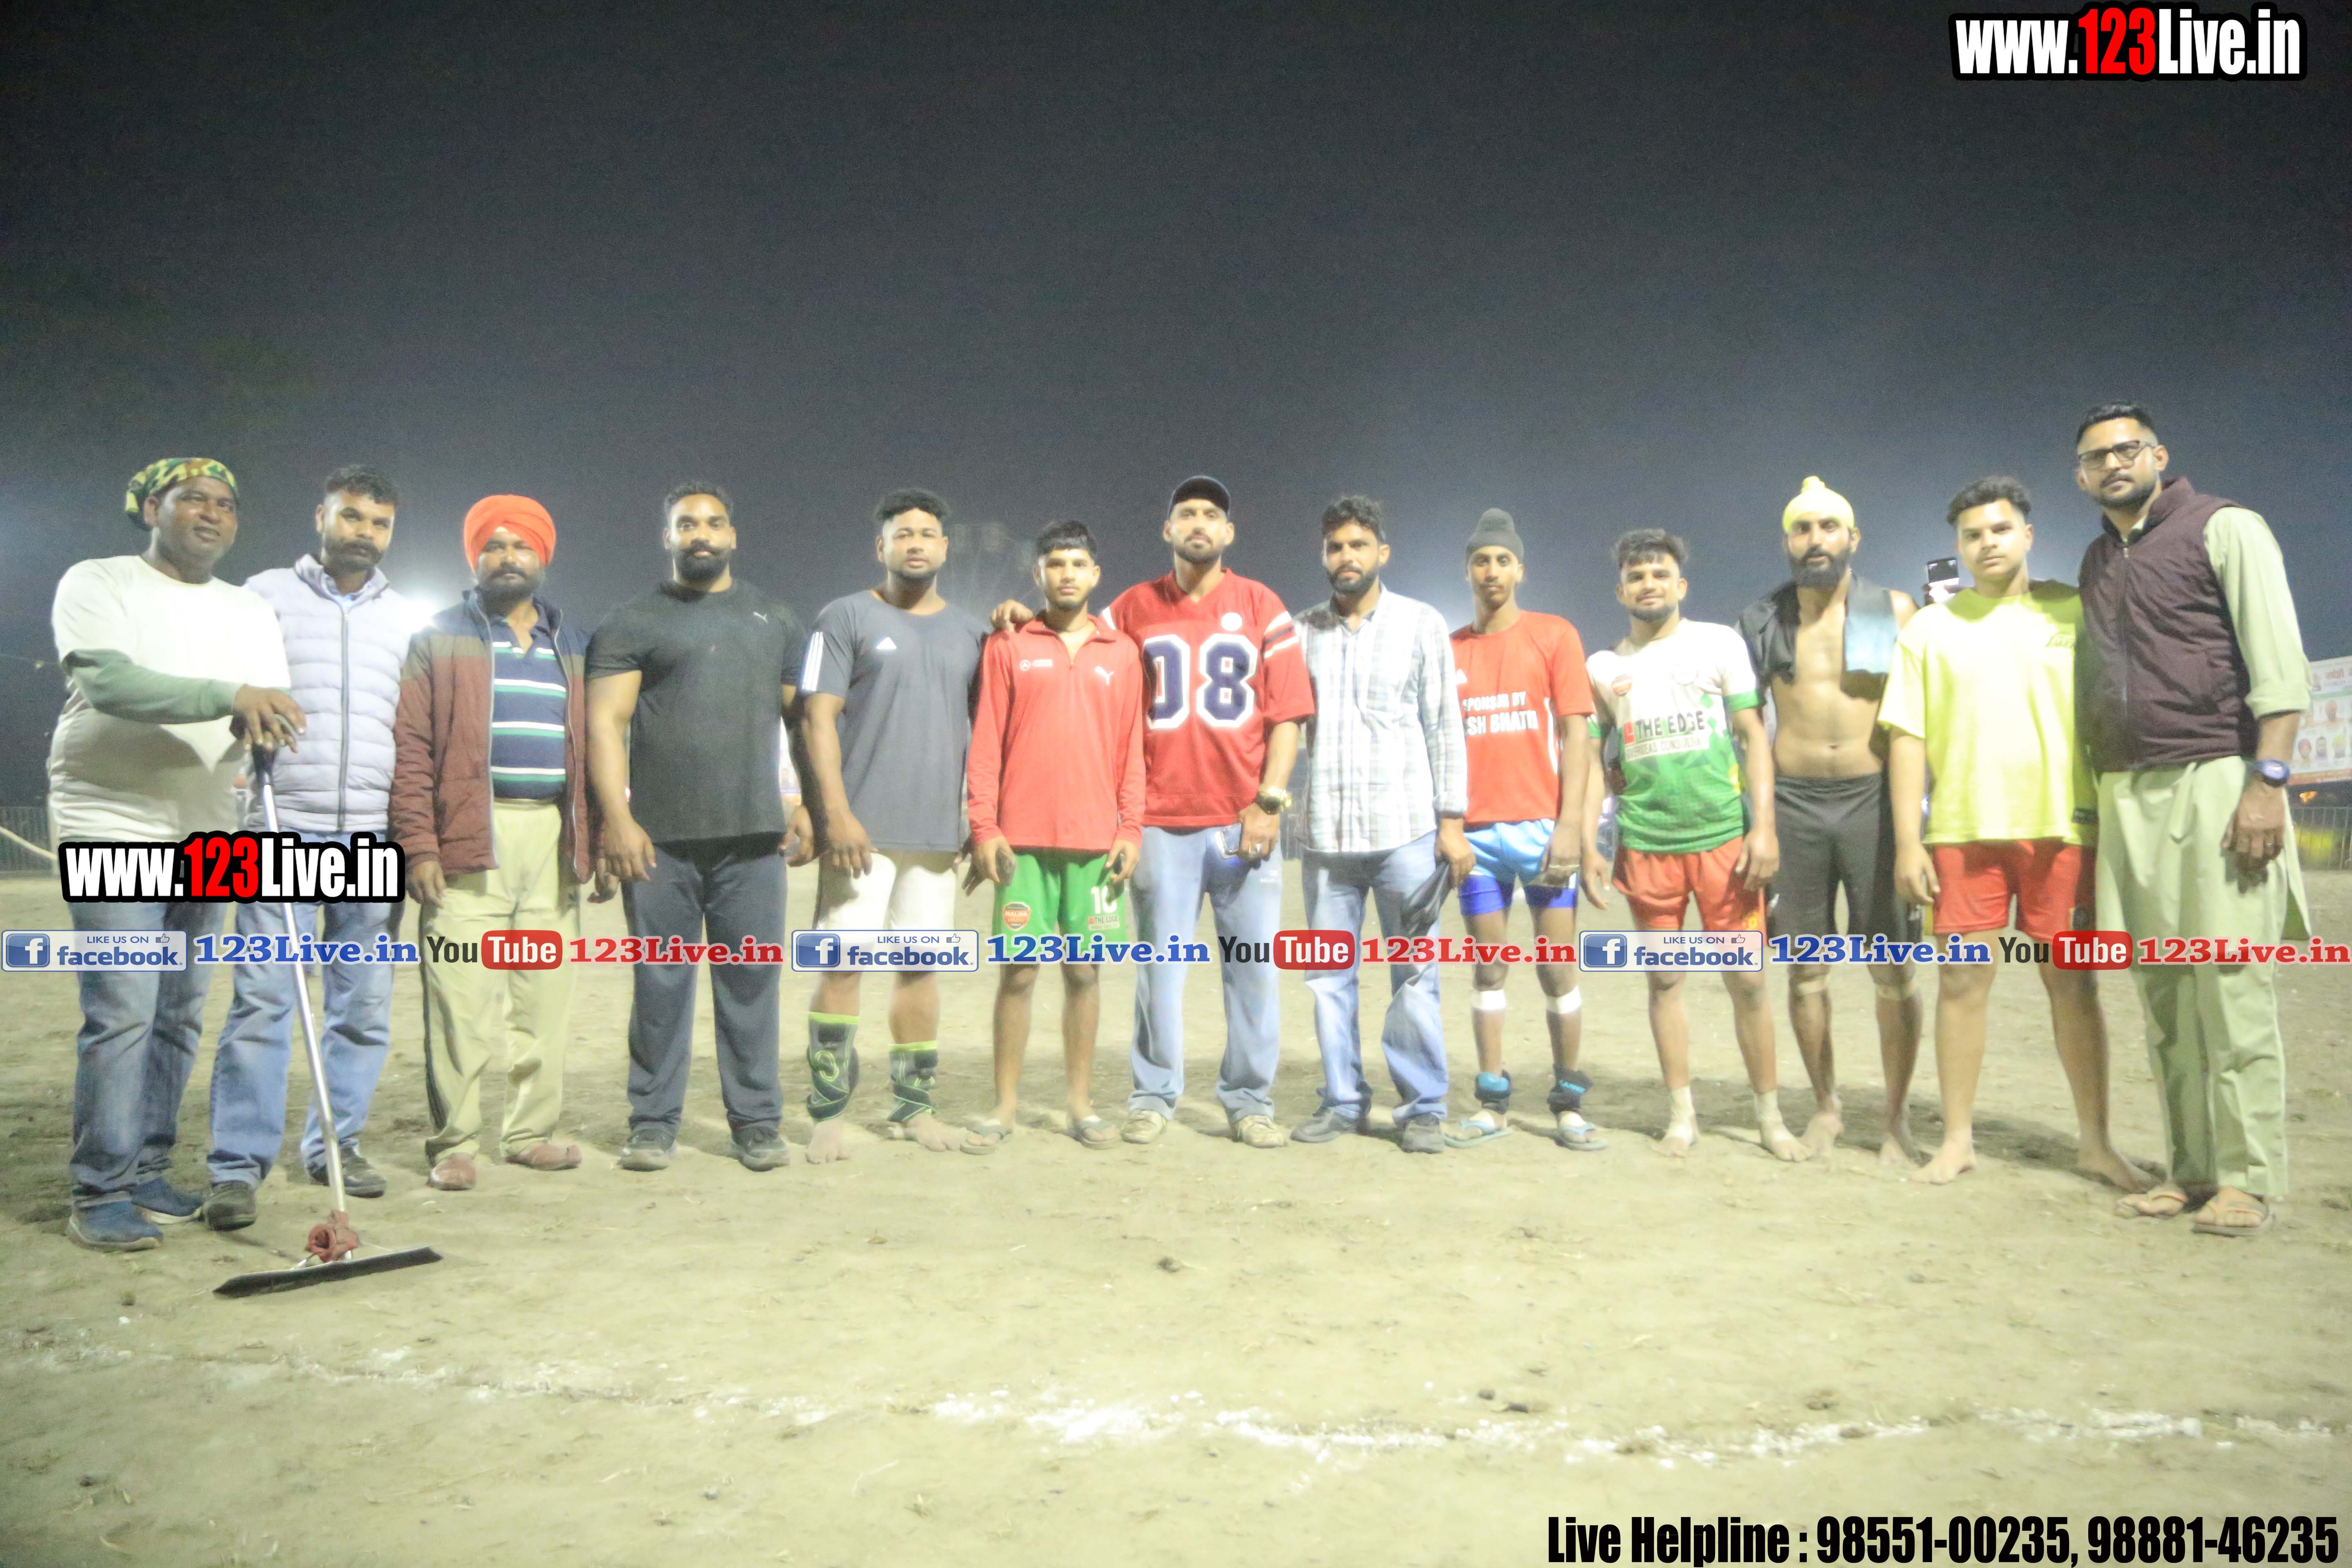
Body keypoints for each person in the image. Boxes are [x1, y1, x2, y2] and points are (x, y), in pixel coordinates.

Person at [990, 474, 1315, 1149]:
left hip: (1242, 822)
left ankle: (1249, 1100)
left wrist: (1269, 802)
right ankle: (1154, 1095)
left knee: (1253, 969)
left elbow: (1287, 715)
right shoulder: (1133, 608)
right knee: (1159, 974)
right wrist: (1026, 615)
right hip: (1163, 822)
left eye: (1211, 514)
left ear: (1229, 532)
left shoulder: (1263, 605)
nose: (1199, 523)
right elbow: (1073, 632)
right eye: (1186, 513)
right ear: (1167, 530)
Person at [2072, 403, 2311, 1238]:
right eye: (2096, 457)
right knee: (2167, 999)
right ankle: (2193, 1171)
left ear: (2159, 455)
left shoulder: (2225, 527)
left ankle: (2249, 1178)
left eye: (2127, 449)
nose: (2113, 464)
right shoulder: (2098, 559)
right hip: (2127, 790)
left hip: (2217, 777)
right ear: (2081, 476)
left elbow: (2280, 668)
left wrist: (2266, 782)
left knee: (2231, 985)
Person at [49, 458, 300, 1250]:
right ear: (152, 507)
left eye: (227, 503)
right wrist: (229, 697)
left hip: (212, 830)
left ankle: (148, 1167)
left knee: (180, 1011)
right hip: (112, 821)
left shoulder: (250, 609)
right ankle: (100, 1188)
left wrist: (266, 728)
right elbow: (111, 683)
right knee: (124, 1011)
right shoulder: (99, 581)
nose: (213, 513)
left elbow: (265, 702)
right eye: (194, 499)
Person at [1880, 477, 2151, 1191]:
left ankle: (2096, 1143)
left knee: (2073, 984)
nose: (1987, 544)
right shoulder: (1930, 629)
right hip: (1963, 832)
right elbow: (1907, 736)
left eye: (2000, 530)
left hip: (2064, 826)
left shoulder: (2075, 610)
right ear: (1958, 547)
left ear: (2027, 535)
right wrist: (1909, 841)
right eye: (1972, 535)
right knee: (1961, 980)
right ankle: (1957, 1141)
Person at [203, 466, 413, 1231]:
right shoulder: (262, 595)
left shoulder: (404, 619)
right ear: (320, 516)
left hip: (369, 834)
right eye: (351, 517)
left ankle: (337, 1144)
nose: (364, 533)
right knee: (265, 999)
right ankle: (236, 1167)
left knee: (362, 1005)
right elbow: (220, 689)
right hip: (279, 825)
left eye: (379, 523)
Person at [590, 483, 810, 1174]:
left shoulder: (775, 619)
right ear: (668, 537)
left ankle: (757, 1122)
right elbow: (604, 724)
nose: (702, 534)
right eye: (687, 524)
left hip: (755, 842)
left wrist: (808, 804)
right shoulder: (631, 622)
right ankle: (653, 1122)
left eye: (714, 523)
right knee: (660, 988)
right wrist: (618, 820)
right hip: (660, 844)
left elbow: (802, 722)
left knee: (751, 987)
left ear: (733, 536)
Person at [392, 496, 602, 1192]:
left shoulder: (574, 645)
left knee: (543, 1000)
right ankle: (455, 1142)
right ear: (474, 558)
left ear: (544, 556)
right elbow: (411, 748)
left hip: (551, 839)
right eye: (494, 546)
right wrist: (419, 845)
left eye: (521, 545)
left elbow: (600, 750)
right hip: (466, 840)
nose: (508, 557)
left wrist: (595, 841)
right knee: (461, 1001)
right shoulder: (437, 639)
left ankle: (529, 1134)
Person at [1581, 529, 1804, 1160]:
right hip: (1647, 844)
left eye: (1659, 574)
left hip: (1723, 842)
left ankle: (1770, 1118)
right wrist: (1591, 842)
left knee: (1749, 983)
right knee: (1665, 980)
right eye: (1636, 576)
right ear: (1621, 591)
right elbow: (1595, 759)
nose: (1648, 584)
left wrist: (1764, 827)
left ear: (1680, 584)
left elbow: (1753, 735)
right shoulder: (1603, 668)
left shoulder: (1718, 643)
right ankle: (1682, 1116)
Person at [1735, 476, 1924, 1161]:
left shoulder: (1894, 610)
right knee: (1805, 971)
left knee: (1893, 969)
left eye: (1828, 527)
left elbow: (1914, 724)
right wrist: (1760, 822)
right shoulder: (1763, 620)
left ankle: (1896, 1118)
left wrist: (1913, 836)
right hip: (1795, 806)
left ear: (1853, 538)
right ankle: (1826, 1106)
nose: (1816, 540)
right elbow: (1748, 728)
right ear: (1788, 541)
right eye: (1802, 528)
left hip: (1875, 802)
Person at [800, 489, 990, 1163]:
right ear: (880, 547)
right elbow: (816, 717)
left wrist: (980, 822)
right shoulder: (844, 616)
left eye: (927, 533)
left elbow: (990, 735)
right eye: (902, 533)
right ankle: (828, 1114)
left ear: (945, 548)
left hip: (937, 836)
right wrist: (835, 815)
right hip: (862, 834)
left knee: (919, 971)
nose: (916, 543)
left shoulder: (974, 633)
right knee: (842, 966)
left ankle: (915, 1110)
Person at [1290, 497, 1471, 1155]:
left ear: (1382, 554)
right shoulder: (1299, 631)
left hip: (1407, 833)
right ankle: (1342, 1102)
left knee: (1415, 973)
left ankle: (1422, 1109)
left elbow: (1444, 726)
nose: (1347, 557)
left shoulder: (1421, 624)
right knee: (1327, 979)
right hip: (1326, 839)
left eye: (1359, 545)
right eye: (1336, 547)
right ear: (1324, 555)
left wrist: (1452, 822)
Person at [963, 521, 1145, 1151]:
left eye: (1078, 564)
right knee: (1018, 974)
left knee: (1084, 975)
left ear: (1096, 574)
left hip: (1096, 844)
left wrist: (1131, 828)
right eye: (1056, 564)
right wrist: (984, 826)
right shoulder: (1008, 645)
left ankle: (1080, 1105)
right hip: (1021, 842)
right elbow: (986, 741)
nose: (1068, 574)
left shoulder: (1122, 653)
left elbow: (1132, 749)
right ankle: (1004, 1106)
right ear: (1037, 574)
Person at [1443, 509, 1603, 1151]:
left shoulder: (1554, 635)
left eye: (1503, 561)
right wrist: (1450, 827)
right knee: (1489, 970)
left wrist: (1571, 828)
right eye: (1481, 561)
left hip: (1542, 832)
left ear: (1520, 570)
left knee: (1557, 970)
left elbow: (1577, 734)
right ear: (1467, 572)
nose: (1492, 571)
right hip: (1477, 839)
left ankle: (1568, 1103)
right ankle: (1493, 1103)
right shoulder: (1450, 650)